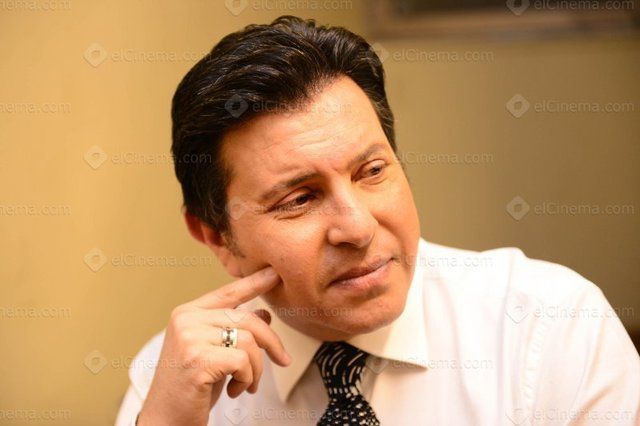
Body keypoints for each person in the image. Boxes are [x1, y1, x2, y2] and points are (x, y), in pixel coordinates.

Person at [115, 16, 640, 425]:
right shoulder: (176, 380)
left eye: (371, 171)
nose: (358, 227)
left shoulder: (550, 326)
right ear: (216, 237)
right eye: (299, 199)